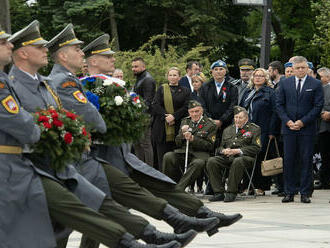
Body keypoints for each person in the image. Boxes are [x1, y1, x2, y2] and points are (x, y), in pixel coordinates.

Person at [8, 20, 181, 248]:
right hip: (34, 165)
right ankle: (157, 233)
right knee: (80, 214)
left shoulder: (45, 84)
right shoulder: (26, 84)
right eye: (39, 47)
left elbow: (64, 119)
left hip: (60, 162)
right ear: (23, 53)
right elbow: (37, 125)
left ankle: (153, 235)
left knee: (91, 209)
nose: (45, 50)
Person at [80, 35, 243, 237]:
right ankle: (182, 222)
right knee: (105, 209)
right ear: (94, 61)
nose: (113, 59)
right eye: (108, 56)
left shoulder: (113, 83)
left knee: (159, 183)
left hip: (120, 153)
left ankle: (202, 213)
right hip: (101, 156)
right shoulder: (83, 85)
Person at [0, 25, 56, 248]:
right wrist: (35, 128)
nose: (10, 45)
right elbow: (25, 126)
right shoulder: (5, 82)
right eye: (3, 42)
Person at [276, 56, 324, 203]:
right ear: (293, 68)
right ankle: (289, 192)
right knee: (289, 160)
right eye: (298, 68)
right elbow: (279, 105)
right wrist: (288, 121)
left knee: (306, 160)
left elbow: (317, 106)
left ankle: (305, 192)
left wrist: (302, 122)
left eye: (303, 67)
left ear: (307, 68)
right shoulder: (285, 83)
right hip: (289, 128)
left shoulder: (315, 84)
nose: (301, 70)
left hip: (307, 129)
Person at [206, 106, 261, 202]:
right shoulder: (228, 130)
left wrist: (238, 150)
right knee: (212, 161)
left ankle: (231, 192)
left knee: (237, 161)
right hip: (228, 157)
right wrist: (223, 151)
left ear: (246, 118)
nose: (237, 120)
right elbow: (220, 147)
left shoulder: (254, 129)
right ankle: (218, 192)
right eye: (236, 117)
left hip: (245, 158)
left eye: (240, 118)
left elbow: (256, 148)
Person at [163, 100, 217, 191]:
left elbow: (210, 146)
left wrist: (193, 139)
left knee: (198, 163)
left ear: (202, 111)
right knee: (168, 156)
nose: (194, 114)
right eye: (192, 112)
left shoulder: (210, 124)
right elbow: (178, 142)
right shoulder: (185, 121)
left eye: (197, 111)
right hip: (184, 152)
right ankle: (167, 186)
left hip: (200, 154)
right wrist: (182, 134)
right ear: (189, 112)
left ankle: (179, 189)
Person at [241, 68, 278, 196]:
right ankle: (247, 186)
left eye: (261, 76)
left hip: (263, 129)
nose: (258, 78)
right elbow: (241, 109)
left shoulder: (270, 93)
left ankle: (261, 186)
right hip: (247, 130)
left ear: (266, 78)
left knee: (260, 157)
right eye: (256, 75)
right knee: (247, 156)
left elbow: (275, 113)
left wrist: (272, 131)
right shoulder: (247, 92)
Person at [152, 67, 191, 170]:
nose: (172, 77)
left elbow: (186, 106)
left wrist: (174, 116)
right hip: (162, 127)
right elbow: (155, 104)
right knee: (162, 157)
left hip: (177, 127)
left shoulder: (185, 91)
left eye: (175, 75)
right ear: (167, 76)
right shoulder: (161, 89)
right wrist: (166, 116)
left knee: (175, 157)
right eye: (170, 75)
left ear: (179, 77)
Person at [200, 59, 238, 147]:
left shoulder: (232, 88)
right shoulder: (205, 87)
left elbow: (233, 106)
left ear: (226, 71)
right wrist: (211, 121)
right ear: (211, 72)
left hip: (226, 124)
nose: (218, 72)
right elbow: (202, 105)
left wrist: (221, 120)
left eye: (221, 69)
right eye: (216, 69)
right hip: (208, 124)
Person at [132, 57, 156, 166]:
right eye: (132, 67)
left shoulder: (147, 79)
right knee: (137, 144)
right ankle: (140, 168)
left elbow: (148, 101)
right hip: (138, 116)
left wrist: (138, 116)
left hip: (144, 117)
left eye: (136, 66)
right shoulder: (140, 78)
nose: (134, 69)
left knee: (145, 144)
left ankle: (148, 170)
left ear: (143, 67)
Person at [317, 67, 330, 189]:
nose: (318, 79)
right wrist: (322, 113)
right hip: (322, 128)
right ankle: (324, 180)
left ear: (327, 77)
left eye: (320, 76)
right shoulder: (318, 89)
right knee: (324, 156)